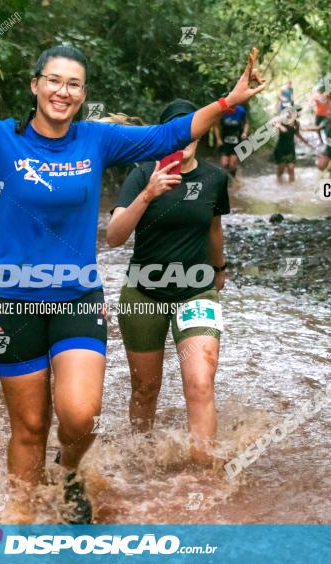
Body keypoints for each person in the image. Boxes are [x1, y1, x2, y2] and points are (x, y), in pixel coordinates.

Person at [0, 37, 267, 522]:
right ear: (35, 86)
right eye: (54, 81)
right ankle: (21, 519)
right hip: (10, 304)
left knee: (81, 415)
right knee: (28, 425)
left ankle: (67, 473)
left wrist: (229, 100)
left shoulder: (97, 140)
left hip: (77, 300)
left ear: (82, 95)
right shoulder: (1, 139)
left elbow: (169, 134)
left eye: (74, 85)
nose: (62, 92)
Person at [107, 99, 230, 465]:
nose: (183, 135)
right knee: (145, 389)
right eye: (174, 128)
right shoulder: (142, 173)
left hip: (197, 290)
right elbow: (114, 236)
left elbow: (214, 227)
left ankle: (204, 478)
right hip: (144, 292)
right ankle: (140, 463)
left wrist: (220, 270)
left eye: (189, 126)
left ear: (199, 131)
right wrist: (148, 193)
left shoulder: (214, 178)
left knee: (200, 383)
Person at [273, 102, 312, 183]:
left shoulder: (297, 124)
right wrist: (279, 126)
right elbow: (274, 122)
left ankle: (292, 190)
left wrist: (305, 141)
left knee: (291, 168)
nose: (299, 113)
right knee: (281, 169)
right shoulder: (283, 120)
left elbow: (297, 134)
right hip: (281, 149)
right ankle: (279, 188)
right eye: (298, 111)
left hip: (290, 148)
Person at [213, 104, 249, 180]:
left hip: (236, 141)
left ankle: (234, 179)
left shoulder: (241, 111)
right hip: (224, 141)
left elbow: (246, 123)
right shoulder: (222, 110)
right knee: (224, 164)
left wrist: (244, 133)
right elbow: (216, 126)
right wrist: (218, 139)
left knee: (232, 164)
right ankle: (227, 182)